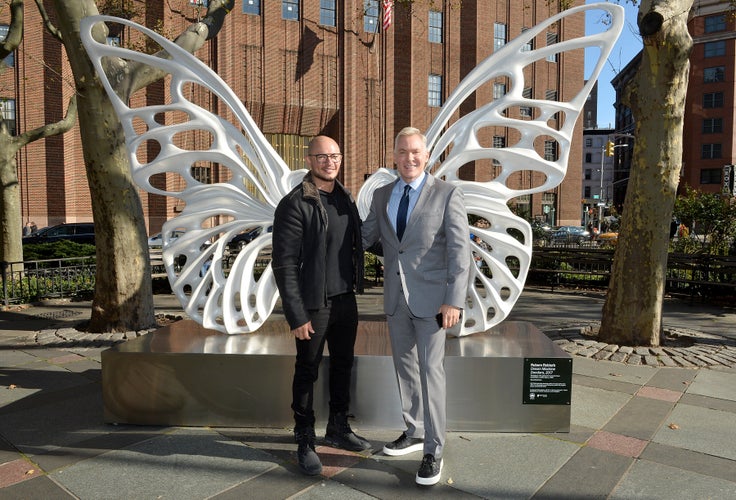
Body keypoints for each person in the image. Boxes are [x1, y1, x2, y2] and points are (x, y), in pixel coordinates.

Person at [362, 127, 471, 486]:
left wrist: (454, 299)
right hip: (396, 299)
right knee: (405, 370)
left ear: (427, 156)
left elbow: (460, 252)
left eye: (416, 152)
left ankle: (434, 448)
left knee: (431, 371)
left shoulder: (447, 194)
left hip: (433, 302)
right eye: (403, 151)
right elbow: (363, 237)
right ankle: (414, 430)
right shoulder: (381, 196)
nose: (409, 158)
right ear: (393, 156)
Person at [272, 135, 370, 476]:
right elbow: (283, 264)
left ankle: (338, 427)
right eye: (322, 156)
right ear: (309, 159)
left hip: (346, 300)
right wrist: (296, 314)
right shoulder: (295, 203)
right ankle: (304, 437)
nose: (330, 162)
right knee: (307, 370)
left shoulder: (345, 199)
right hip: (314, 305)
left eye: (335, 156)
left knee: (343, 366)